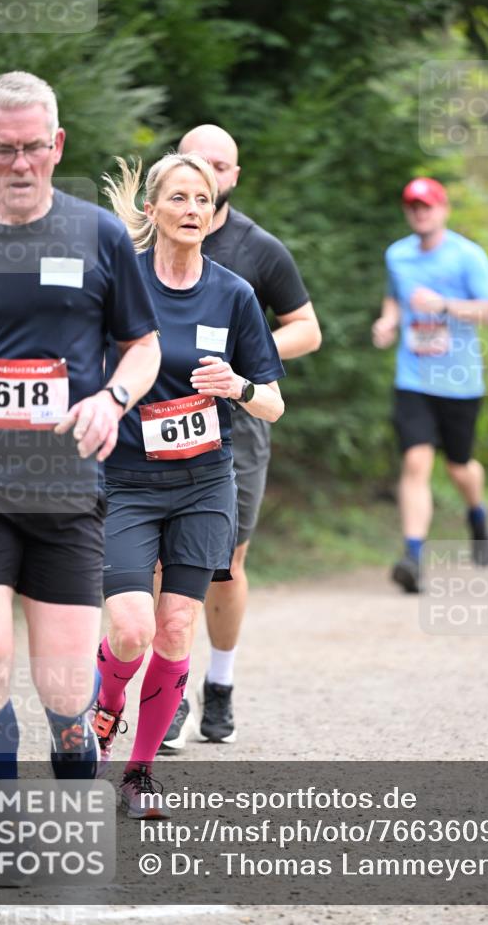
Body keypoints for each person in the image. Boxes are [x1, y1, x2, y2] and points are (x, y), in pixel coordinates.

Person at [0, 71, 161, 878]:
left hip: (67, 482)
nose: (22, 162)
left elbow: (142, 345)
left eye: (36, 146)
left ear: (58, 144)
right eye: (4, 149)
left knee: (68, 692)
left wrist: (112, 397)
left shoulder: (100, 234)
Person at [88, 151, 284, 816]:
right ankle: (104, 707)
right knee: (131, 629)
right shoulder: (121, 283)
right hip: (128, 480)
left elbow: (273, 403)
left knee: (176, 629)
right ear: (152, 210)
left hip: (204, 482)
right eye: (178, 198)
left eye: (202, 199)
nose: (193, 210)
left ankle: (138, 776)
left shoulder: (233, 293)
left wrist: (240, 387)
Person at [158, 125, 321, 752]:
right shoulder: (152, 235)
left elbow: (307, 329)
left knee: (223, 565)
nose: (209, 177)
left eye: (221, 167)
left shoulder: (259, 249)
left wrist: (244, 362)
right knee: (155, 559)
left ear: (234, 176)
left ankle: (219, 684)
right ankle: (164, 691)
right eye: (198, 164)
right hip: (155, 420)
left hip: (238, 423)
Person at [372, 177, 488, 593]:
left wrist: (444, 305)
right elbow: (395, 296)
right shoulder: (398, 255)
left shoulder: (468, 256)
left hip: (460, 381)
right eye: (412, 206)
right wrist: (389, 321)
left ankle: (477, 513)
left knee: (459, 466)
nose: (420, 212)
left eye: (427, 205)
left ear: (443, 209)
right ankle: (412, 557)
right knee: (415, 463)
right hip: (413, 378)